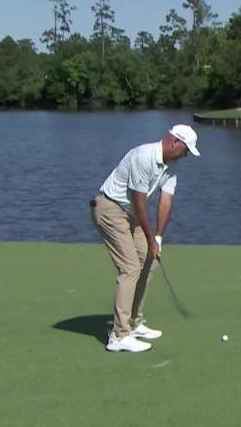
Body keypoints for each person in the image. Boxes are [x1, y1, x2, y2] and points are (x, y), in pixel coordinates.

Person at [90, 124, 200, 353]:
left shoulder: (171, 166)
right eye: (186, 149)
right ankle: (119, 336)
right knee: (130, 268)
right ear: (174, 142)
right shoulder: (143, 156)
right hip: (109, 208)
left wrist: (158, 237)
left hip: (130, 213)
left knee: (149, 262)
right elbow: (139, 201)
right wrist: (150, 237)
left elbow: (166, 201)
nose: (186, 155)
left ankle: (133, 323)